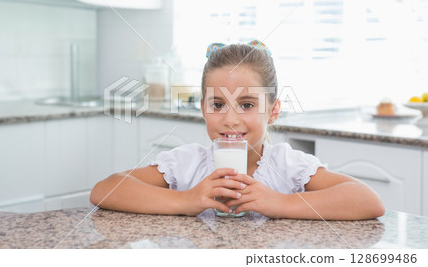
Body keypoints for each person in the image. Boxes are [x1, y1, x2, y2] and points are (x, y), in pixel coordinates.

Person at [90, 41, 385, 220]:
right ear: (204, 109)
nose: (230, 119)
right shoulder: (188, 163)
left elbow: (367, 200)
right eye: (218, 104)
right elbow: (105, 190)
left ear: (273, 111)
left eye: (246, 104)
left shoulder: (286, 165)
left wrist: (282, 202)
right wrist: (184, 200)